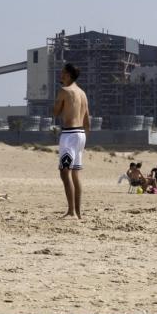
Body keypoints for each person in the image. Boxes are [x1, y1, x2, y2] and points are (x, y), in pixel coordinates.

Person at [52, 62, 90, 219]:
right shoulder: (82, 93)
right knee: (75, 174)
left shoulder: (64, 90)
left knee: (64, 173)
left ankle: (71, 211)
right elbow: (87, 119)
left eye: (62, 73)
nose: (60, 75)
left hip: (69, 134)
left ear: (68, 75)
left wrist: (57, 103)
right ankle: (78, 212)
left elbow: (55, 112)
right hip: (81, 134)